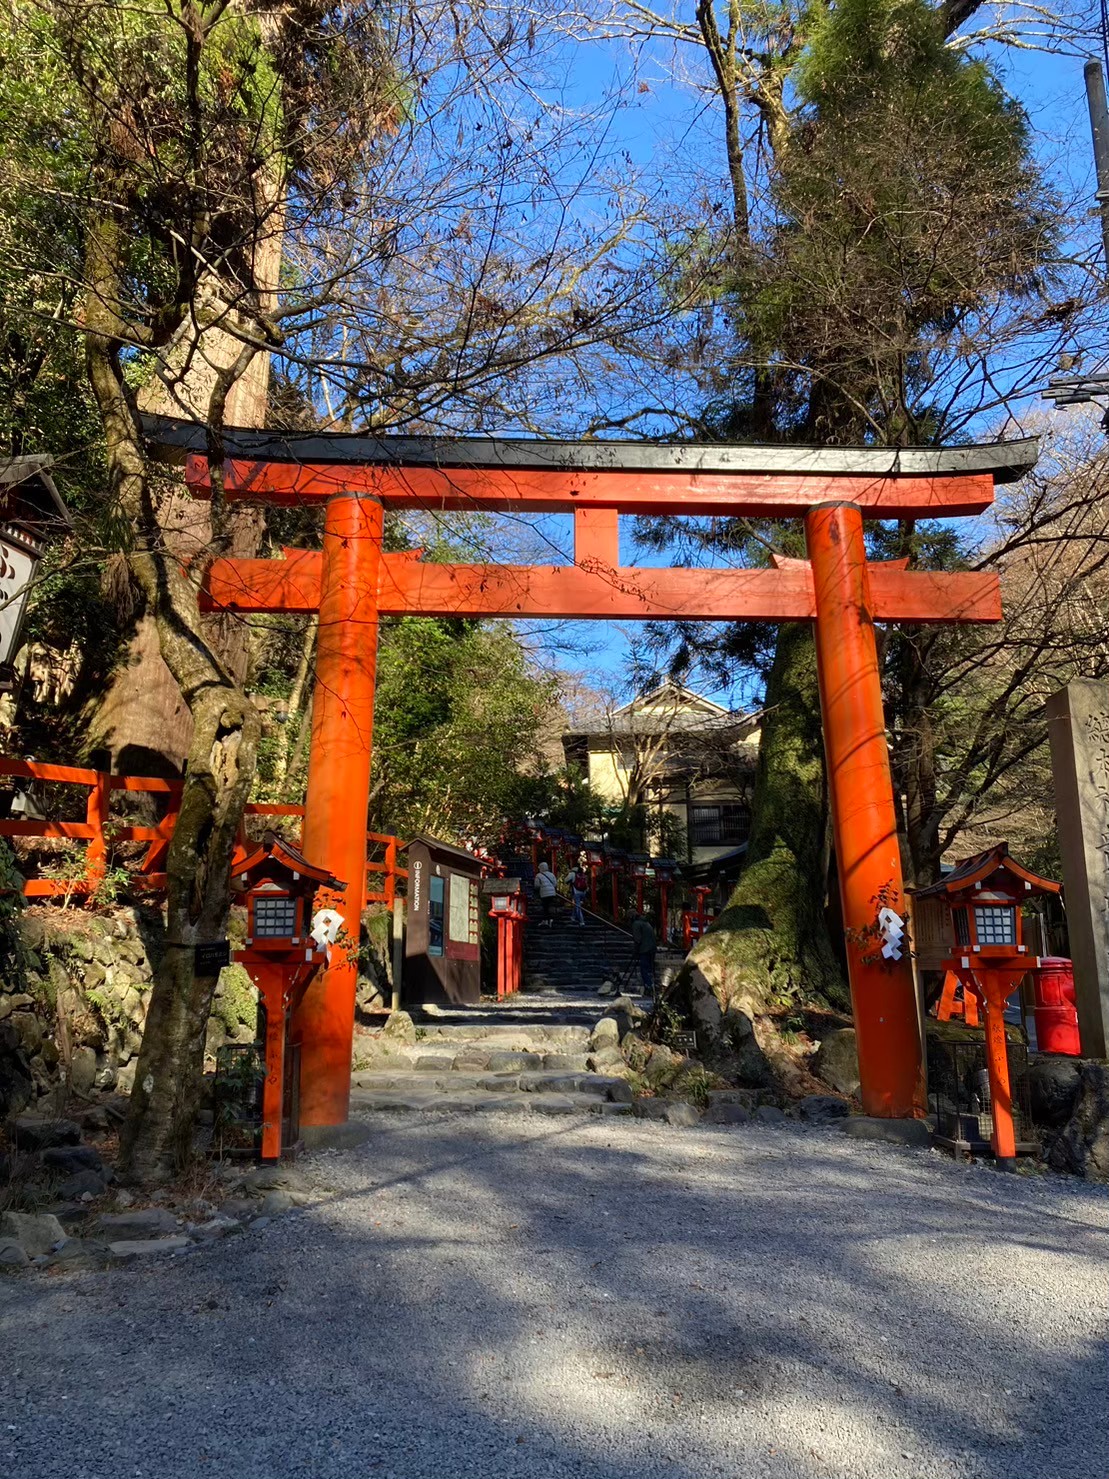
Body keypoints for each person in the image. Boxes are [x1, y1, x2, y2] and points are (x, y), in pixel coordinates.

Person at [630, 910, 656, 993]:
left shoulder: (636, 924)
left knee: (643, 969)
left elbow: (638, 939)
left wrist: (635, 950)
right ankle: (652, 985)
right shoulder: (646, 923)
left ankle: (649, 985)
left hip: (645, 949)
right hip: (652, 948)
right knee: (649, 968)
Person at [534, 859, 558, 926]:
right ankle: (550, 919)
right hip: (552, 893)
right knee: (550, 906)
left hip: (544, 894)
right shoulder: (551, 874)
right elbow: (555, 884)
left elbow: (537, 885)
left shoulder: (538, 875)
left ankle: (546, 920)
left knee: (545, 907)